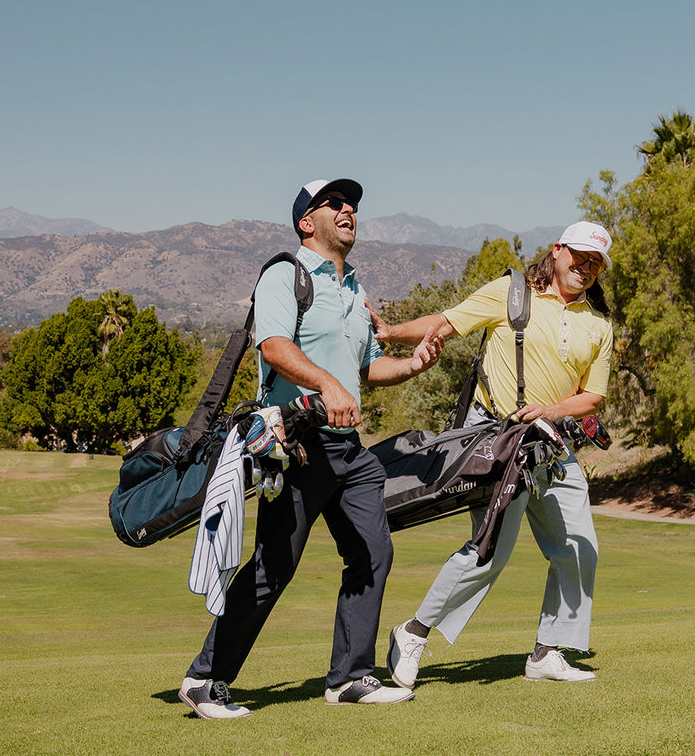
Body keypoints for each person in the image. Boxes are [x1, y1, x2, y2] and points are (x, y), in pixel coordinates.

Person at [179, 178, 444, 718]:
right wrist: (326, 384)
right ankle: (205, 678)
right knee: (273, 565)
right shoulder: (285, 274)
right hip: (296, 445)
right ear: (308, 221)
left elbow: (368, 367)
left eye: (353, 205)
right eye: (336, 204)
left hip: (351, 451)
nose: (349, 210)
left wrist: (412, 365)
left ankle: (350, 677)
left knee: (373, 553)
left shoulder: (353, 288)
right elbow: (274, 346)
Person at [371, 221, 614, 687]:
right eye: (580, 257)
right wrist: (391, 334)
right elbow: (446, 322)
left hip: (552, 446)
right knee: (490, 554)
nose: (586, 268)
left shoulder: (599, 323)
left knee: (579, 547)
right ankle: (413, 632)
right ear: (558, 251)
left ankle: (547, 652)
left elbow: (592, 397)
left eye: (595, 264)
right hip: (499, 444)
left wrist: (553, 409)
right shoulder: (512, 292)